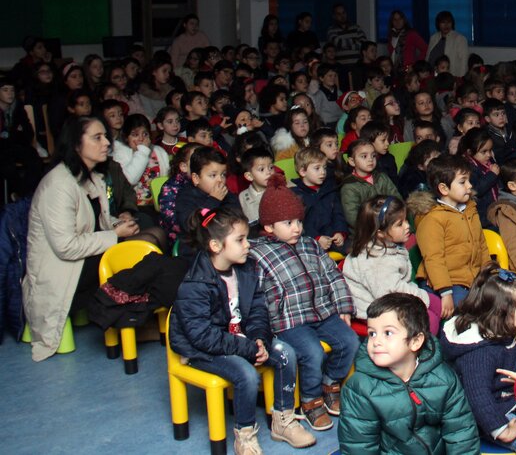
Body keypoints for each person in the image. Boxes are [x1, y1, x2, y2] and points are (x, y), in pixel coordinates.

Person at [169, 208, 315, 453]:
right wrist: (249, 348)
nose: (248, 245)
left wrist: (260, 339)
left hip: (240, 339)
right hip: (201, 349)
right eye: (240, 240)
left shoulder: (247, 269)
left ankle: (283, 421)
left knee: (286, 353)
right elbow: (202, 336)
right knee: (246, 374)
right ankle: (245, 435)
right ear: (216, 245)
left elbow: (259, 309)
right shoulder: (195, 284)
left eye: (247, 237)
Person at [22, 117, 146, 361]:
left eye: (106, 137)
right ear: (77, 144)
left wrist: (119, 225)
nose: (106, 143)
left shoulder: (89, 177)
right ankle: (143, 317)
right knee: (138, 259)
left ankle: (142, 314)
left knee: (147, 239)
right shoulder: (58, 185)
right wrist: (115, 235)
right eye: (97, 138)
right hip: (61, 270)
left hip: (81, 261)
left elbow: (99, 221)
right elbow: (66, 247)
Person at [248, 176, 359, 432]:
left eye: (298, 221)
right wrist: (269, 327)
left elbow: (332, 275)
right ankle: (310, 400)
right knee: (312, 352)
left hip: (323, 312)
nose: (296, 228)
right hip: (290, 321)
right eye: (288, 223)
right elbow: (258, 294)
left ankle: (330, 383)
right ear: (268, 227)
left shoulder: (310, 244)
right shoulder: (259, 254)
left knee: (350, 341)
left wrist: (343, 306)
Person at [440, 263, 516, 455]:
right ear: (501, 315)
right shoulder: (478, 353)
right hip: (487, 415)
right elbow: (478, 398)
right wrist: (501, 430)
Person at [338, 293, 479, 453]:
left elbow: (460, 432)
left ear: (415, 341)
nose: (376, 341)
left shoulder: (443, 378)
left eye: (388, 333)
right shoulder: (360, 388)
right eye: (372, 333)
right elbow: (359, 447)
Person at [342, 196, 443, 334]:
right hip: (376, 309)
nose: (407, 226)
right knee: (429, 319)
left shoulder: (388, 245)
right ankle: (421, 352)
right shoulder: (376, 262)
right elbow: (391, 292)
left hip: (393, 299)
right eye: (400, 224)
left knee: (436, 308)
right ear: (381, 234)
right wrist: (425, 298)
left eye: (406, 220)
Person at [415, 154, 489, 316]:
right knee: (470, 312)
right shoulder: (433, 219)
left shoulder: (470, 209)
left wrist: (489, 274)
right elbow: (434, 258)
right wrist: (445, 292)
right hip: (447, 284)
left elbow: (481, 244)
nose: (469, 186)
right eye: (463, 182)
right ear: (444, 189)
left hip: (472, 280)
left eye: (468, 180)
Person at [290, 146, 347, 252]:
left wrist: (340, 232)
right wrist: (316, 238)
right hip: (309, 241)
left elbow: (338, 214)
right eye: (317, 168)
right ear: (303, 172)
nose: (323, 172)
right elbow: (298, 224)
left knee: (357, 249)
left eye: (324, 168)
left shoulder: (330, 189)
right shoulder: (295, 195)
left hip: (332, 237)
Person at [340, 138, 401, 225]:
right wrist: (380, 225)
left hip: (389, 224)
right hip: (365, 233)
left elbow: (397, 200)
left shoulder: (382, 177)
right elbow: (353, 218)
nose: (370, 159)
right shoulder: (349, 187)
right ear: (352, 161)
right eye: (364, 156)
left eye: (373, 156)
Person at [238, 146, 274, 228]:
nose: (268, 172)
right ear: (249, 176)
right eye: (261, 169)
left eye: (271, 167)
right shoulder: (243, 196)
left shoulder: (279, 190)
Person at [426, 10, 469, 77]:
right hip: (432, 76)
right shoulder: (433, 38)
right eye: (443, 22)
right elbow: (428, 57)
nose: (446, 25)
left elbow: (464, 63)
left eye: (449, 22)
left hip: (451, 78)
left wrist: (460, 80)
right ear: (438, 24)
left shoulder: (460, 39)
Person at [324, 3, 367, 69]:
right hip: (340, 66)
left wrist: (344, 46)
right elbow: (338, 43)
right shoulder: (331, 30)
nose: (342, 16)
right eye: (339, 14)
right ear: (334, 16)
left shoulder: (356, 28)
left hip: (357, 65)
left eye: (343, 12)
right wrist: (354, 41)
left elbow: (364, 43)